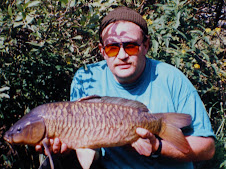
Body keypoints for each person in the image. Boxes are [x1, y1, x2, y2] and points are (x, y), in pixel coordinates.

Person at [36, 6, 215, 169]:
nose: (122, 55)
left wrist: (157, 147)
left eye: (130, 46)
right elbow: (90, 150)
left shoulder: (172, 79)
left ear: (145, 46)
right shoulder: (86, 77)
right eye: (113, 48)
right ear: (102, 51)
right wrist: (67, 148)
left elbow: (207, 149)